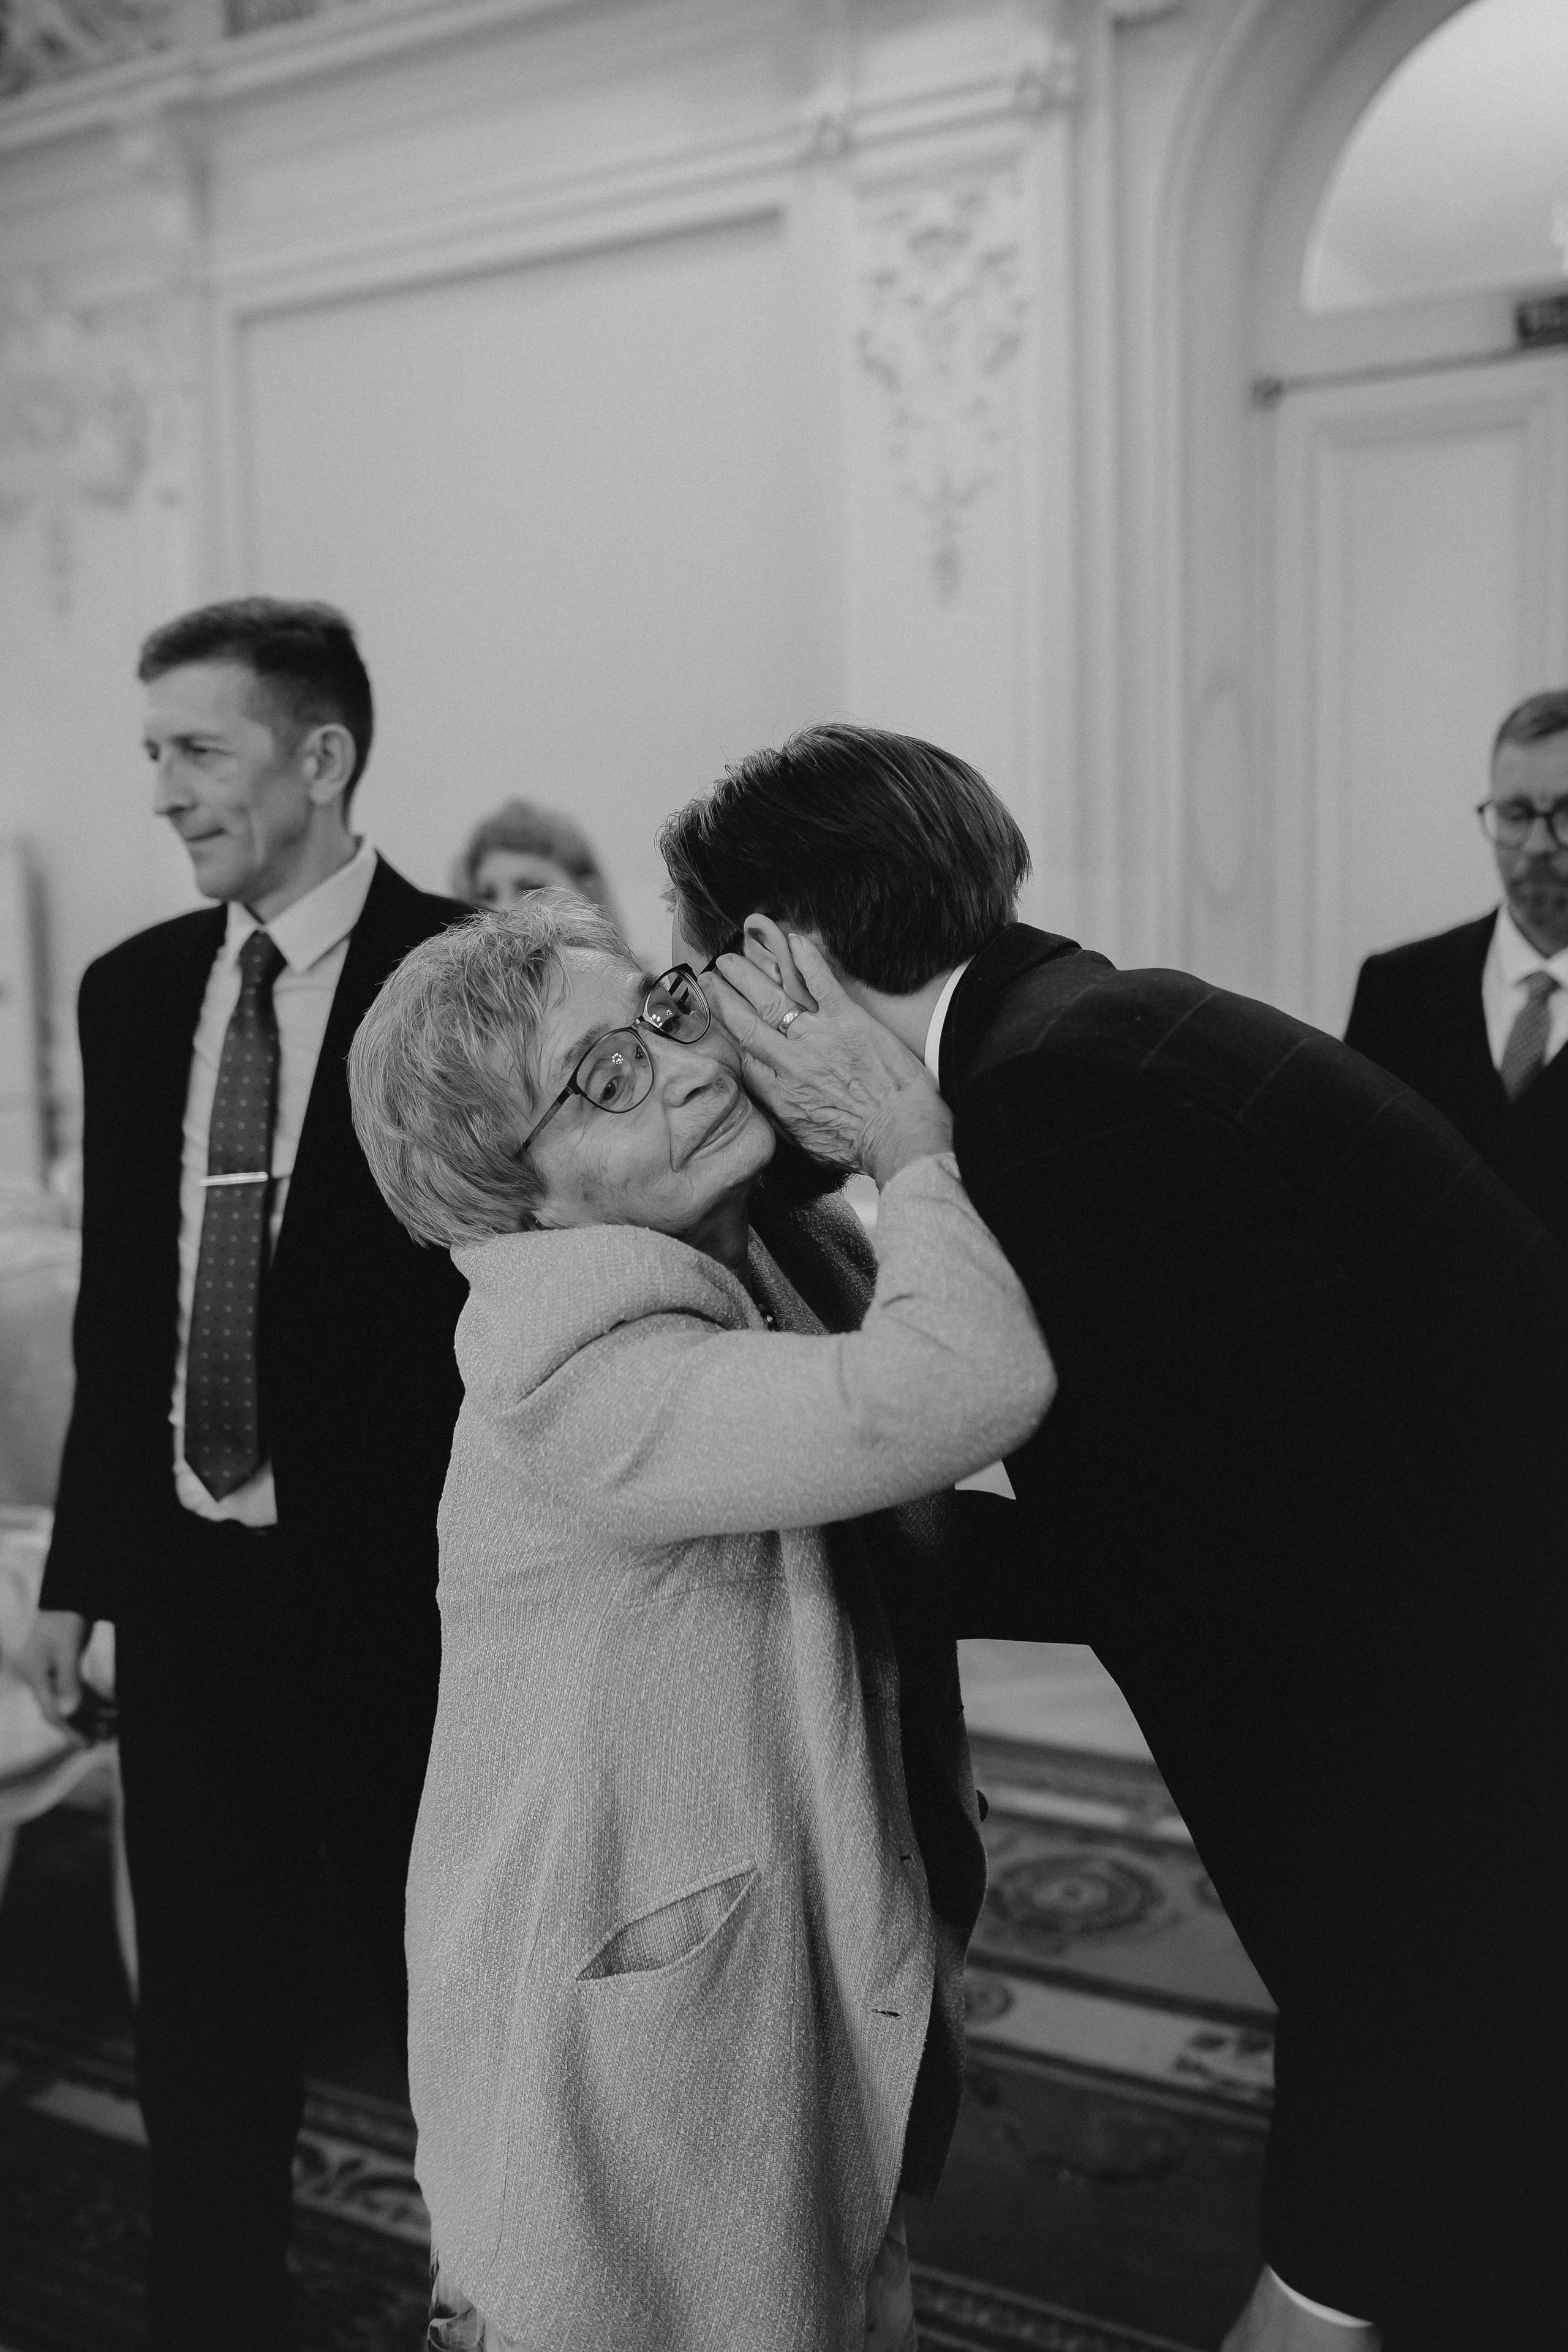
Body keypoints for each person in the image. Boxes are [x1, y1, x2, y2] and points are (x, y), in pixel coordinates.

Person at [658, 722, 1567, 2352]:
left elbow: (1251, 1592)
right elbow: (1206, 1499)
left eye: (705, 970)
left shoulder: (1054, 1101)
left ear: (781, 954)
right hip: (1462, 1739)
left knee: (1384, 2257)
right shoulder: (1080, 1027)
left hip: (1461, 1790)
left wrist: (782, 1539)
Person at [345, 891, 1053, 2352]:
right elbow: (962, 1382)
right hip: (615, 1992)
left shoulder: (775, 1246)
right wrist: (905, 1136)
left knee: (823, 2284)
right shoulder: (570, 1367)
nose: (675, 1064)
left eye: (660, 1012)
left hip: (752, 1937)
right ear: (512, 1194)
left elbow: (901, 1522)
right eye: (597, 1077)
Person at [16, 598, 470, 2349]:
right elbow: (131, 1317)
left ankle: (504, 2302)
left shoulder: (465, 980)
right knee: (202, 2035)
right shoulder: (133, 993)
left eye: (196, 750)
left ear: (323, 757)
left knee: (456, 2016)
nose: (162, 793)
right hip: (195, 1597)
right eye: (151, 754)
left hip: (405, 1606)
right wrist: (82, 1571)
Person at [1345, 688, 1568, 1243]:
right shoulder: (1396, 990)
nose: (1537, 845)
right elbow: (1349, 1198)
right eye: (1515, 815)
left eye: (1567, 814)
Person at [453, 796, 622, 927]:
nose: (503, 911)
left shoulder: (637, 974)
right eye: (486, 896)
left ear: (590, 895)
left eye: (531, 890)